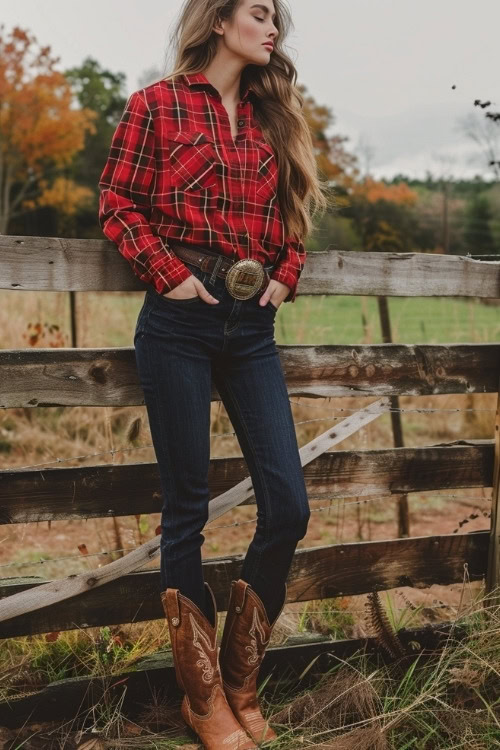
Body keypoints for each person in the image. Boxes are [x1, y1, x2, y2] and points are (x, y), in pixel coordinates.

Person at [98, 1, 330, 747]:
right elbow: (117, 202)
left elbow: (293, 221)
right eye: (259, 13)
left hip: (251, 327)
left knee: (288, 504)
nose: (273, 30)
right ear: (218, 20)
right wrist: (166, 274)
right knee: (187, 509)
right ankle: (204, 702)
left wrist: (287, 273)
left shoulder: (274, 119)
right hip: (179, 321)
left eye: (275, 20)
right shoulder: (155, 106)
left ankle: (239, 680)